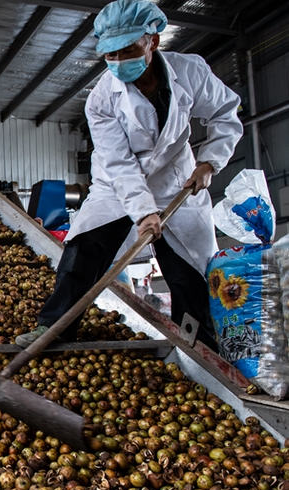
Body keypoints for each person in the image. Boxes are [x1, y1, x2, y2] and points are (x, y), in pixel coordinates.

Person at [15, 0, 243, 350]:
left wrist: (210, 162)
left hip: (176, 183)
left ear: (153, 39)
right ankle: (54, 328)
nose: (120, 62)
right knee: (82, 252)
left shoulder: (191, 71)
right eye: (110, 56)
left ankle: (199, 345)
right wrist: (143, 212)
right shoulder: (101, 100)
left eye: (128, 50)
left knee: (190, 272)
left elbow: (226, 115)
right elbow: (120, 165)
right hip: (115, 187)